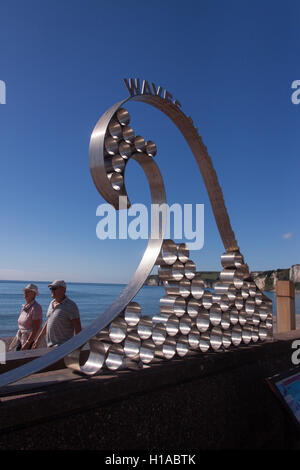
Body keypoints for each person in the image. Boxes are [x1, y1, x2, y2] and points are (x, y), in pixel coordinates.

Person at [32, 280, 82, 348]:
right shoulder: (51, 303)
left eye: (54, 288)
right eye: (51, 288)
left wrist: (77, 347)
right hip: (50, 346)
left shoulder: (71, 306)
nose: (52, 290)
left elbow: (78, 328)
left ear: (63, 290)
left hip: (63, 347)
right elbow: (48, 321)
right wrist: (38, 339)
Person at [9, 283, 43, 351]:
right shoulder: (25, 307)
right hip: (21, 338)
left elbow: (36, 328)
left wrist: (27, 343)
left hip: (29, 341)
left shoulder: (36, 307)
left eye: (28, 291)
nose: (25, 293)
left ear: (34, 294)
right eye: (25, 291)